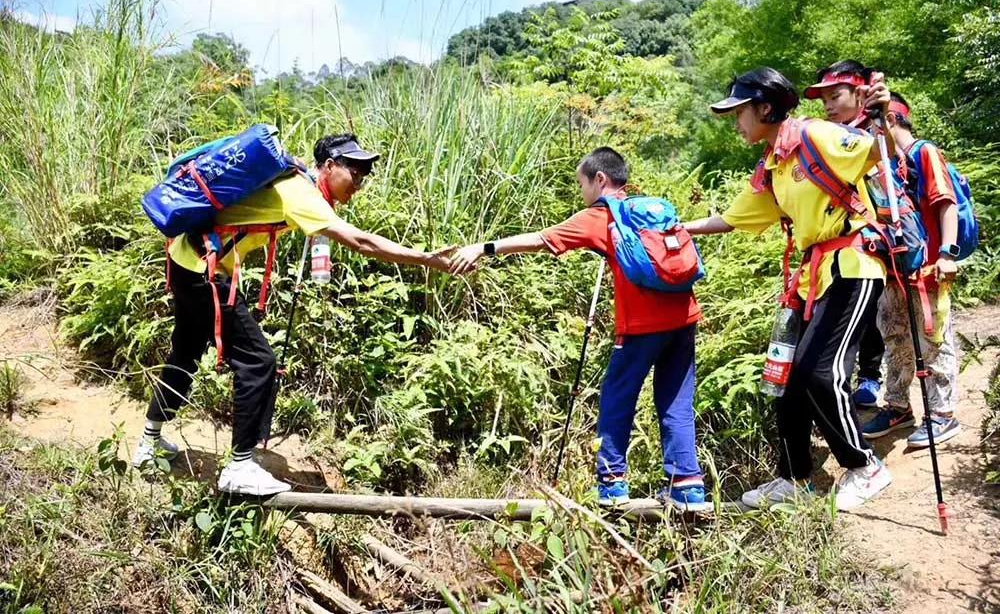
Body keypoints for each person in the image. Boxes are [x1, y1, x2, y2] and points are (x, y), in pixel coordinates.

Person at [133, 133, 456, 495]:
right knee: (258, 362)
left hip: (185, 260)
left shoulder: (293, 180)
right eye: (354, 171)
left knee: (187, 351)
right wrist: (426, 259)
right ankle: (239, 468)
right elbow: (361, 242)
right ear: (330, 166)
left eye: (364, 176)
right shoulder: (300, 191)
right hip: (203, 271)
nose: (359, 183)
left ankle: (149, 442)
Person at [447, 147, 708, 511]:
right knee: (676, 402)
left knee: (617, 400)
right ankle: (688, 489)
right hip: (684, 319)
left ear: (600, 180)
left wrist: (484, 248)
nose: (581, 192)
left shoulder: (600, 216)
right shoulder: (651, 210)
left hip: (640, 328)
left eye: (582, 183)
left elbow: (541, 239)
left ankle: (613, 486)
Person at [685, 67, 894, 511]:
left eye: (739, 111)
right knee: (783, 377)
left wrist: (883, 115)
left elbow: (879, 152)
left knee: (819, 371)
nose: (736, 121)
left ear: (765, 108)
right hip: (811, 278)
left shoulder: (815, 135)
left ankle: (865, 466)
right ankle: (795, 478)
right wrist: (675, 229)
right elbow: (730, 219)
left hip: (853, 265)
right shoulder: (774, 165)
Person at [862, 92, 962, 447]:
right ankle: (898, 406)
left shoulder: (924, 152)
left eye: (870, 121)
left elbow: (945, 203)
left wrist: (948, 253)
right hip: (893, 270)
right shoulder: (879, 165)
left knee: (933, 340)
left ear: (890, 119)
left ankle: (943, 414)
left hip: (930, 266)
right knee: (894, 336)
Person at [803, 60, 888, 409]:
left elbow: (889, 158)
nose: (828, 105)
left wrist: (882, 116)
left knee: (895, 323)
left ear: (859, 92)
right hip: (849, 248)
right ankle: (859, 388)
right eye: (823, 100)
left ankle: (891, 391)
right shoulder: (832, 135)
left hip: (883, 238)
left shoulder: (880, 121)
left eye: (835, 96)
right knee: (868, 318)